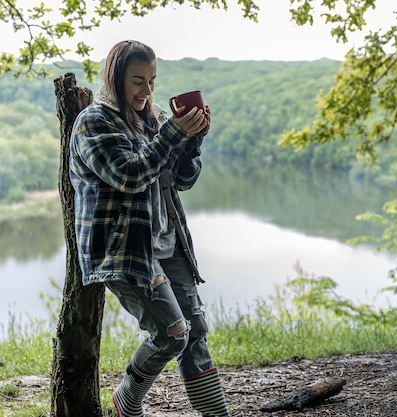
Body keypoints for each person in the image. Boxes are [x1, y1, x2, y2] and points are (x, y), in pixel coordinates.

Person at [69, 40, 230, 417]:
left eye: (152, 80)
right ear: (116, 77)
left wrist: (192, 141)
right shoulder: (94, 122)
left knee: (196, 334)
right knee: (173, 334)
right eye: (138, 80)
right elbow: (130, 175)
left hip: (168, 243)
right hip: (124, 249)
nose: (147, 90)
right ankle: (127, 400)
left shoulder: (154, 120)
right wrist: (173, 134)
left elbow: (182, 180)